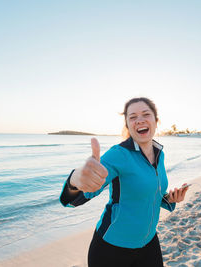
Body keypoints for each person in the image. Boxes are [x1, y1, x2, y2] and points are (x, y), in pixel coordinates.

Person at [60, 97, 189, 267]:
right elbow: (74, 198)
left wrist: (169, 199)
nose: (140, 120)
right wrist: (75, 181)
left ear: (156, 121)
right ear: (128, 125)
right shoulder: (118, 155)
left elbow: (150, 193)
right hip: (111, 248)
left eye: (145, 114)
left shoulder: (160, 154)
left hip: (149, 242)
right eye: (133, 117)